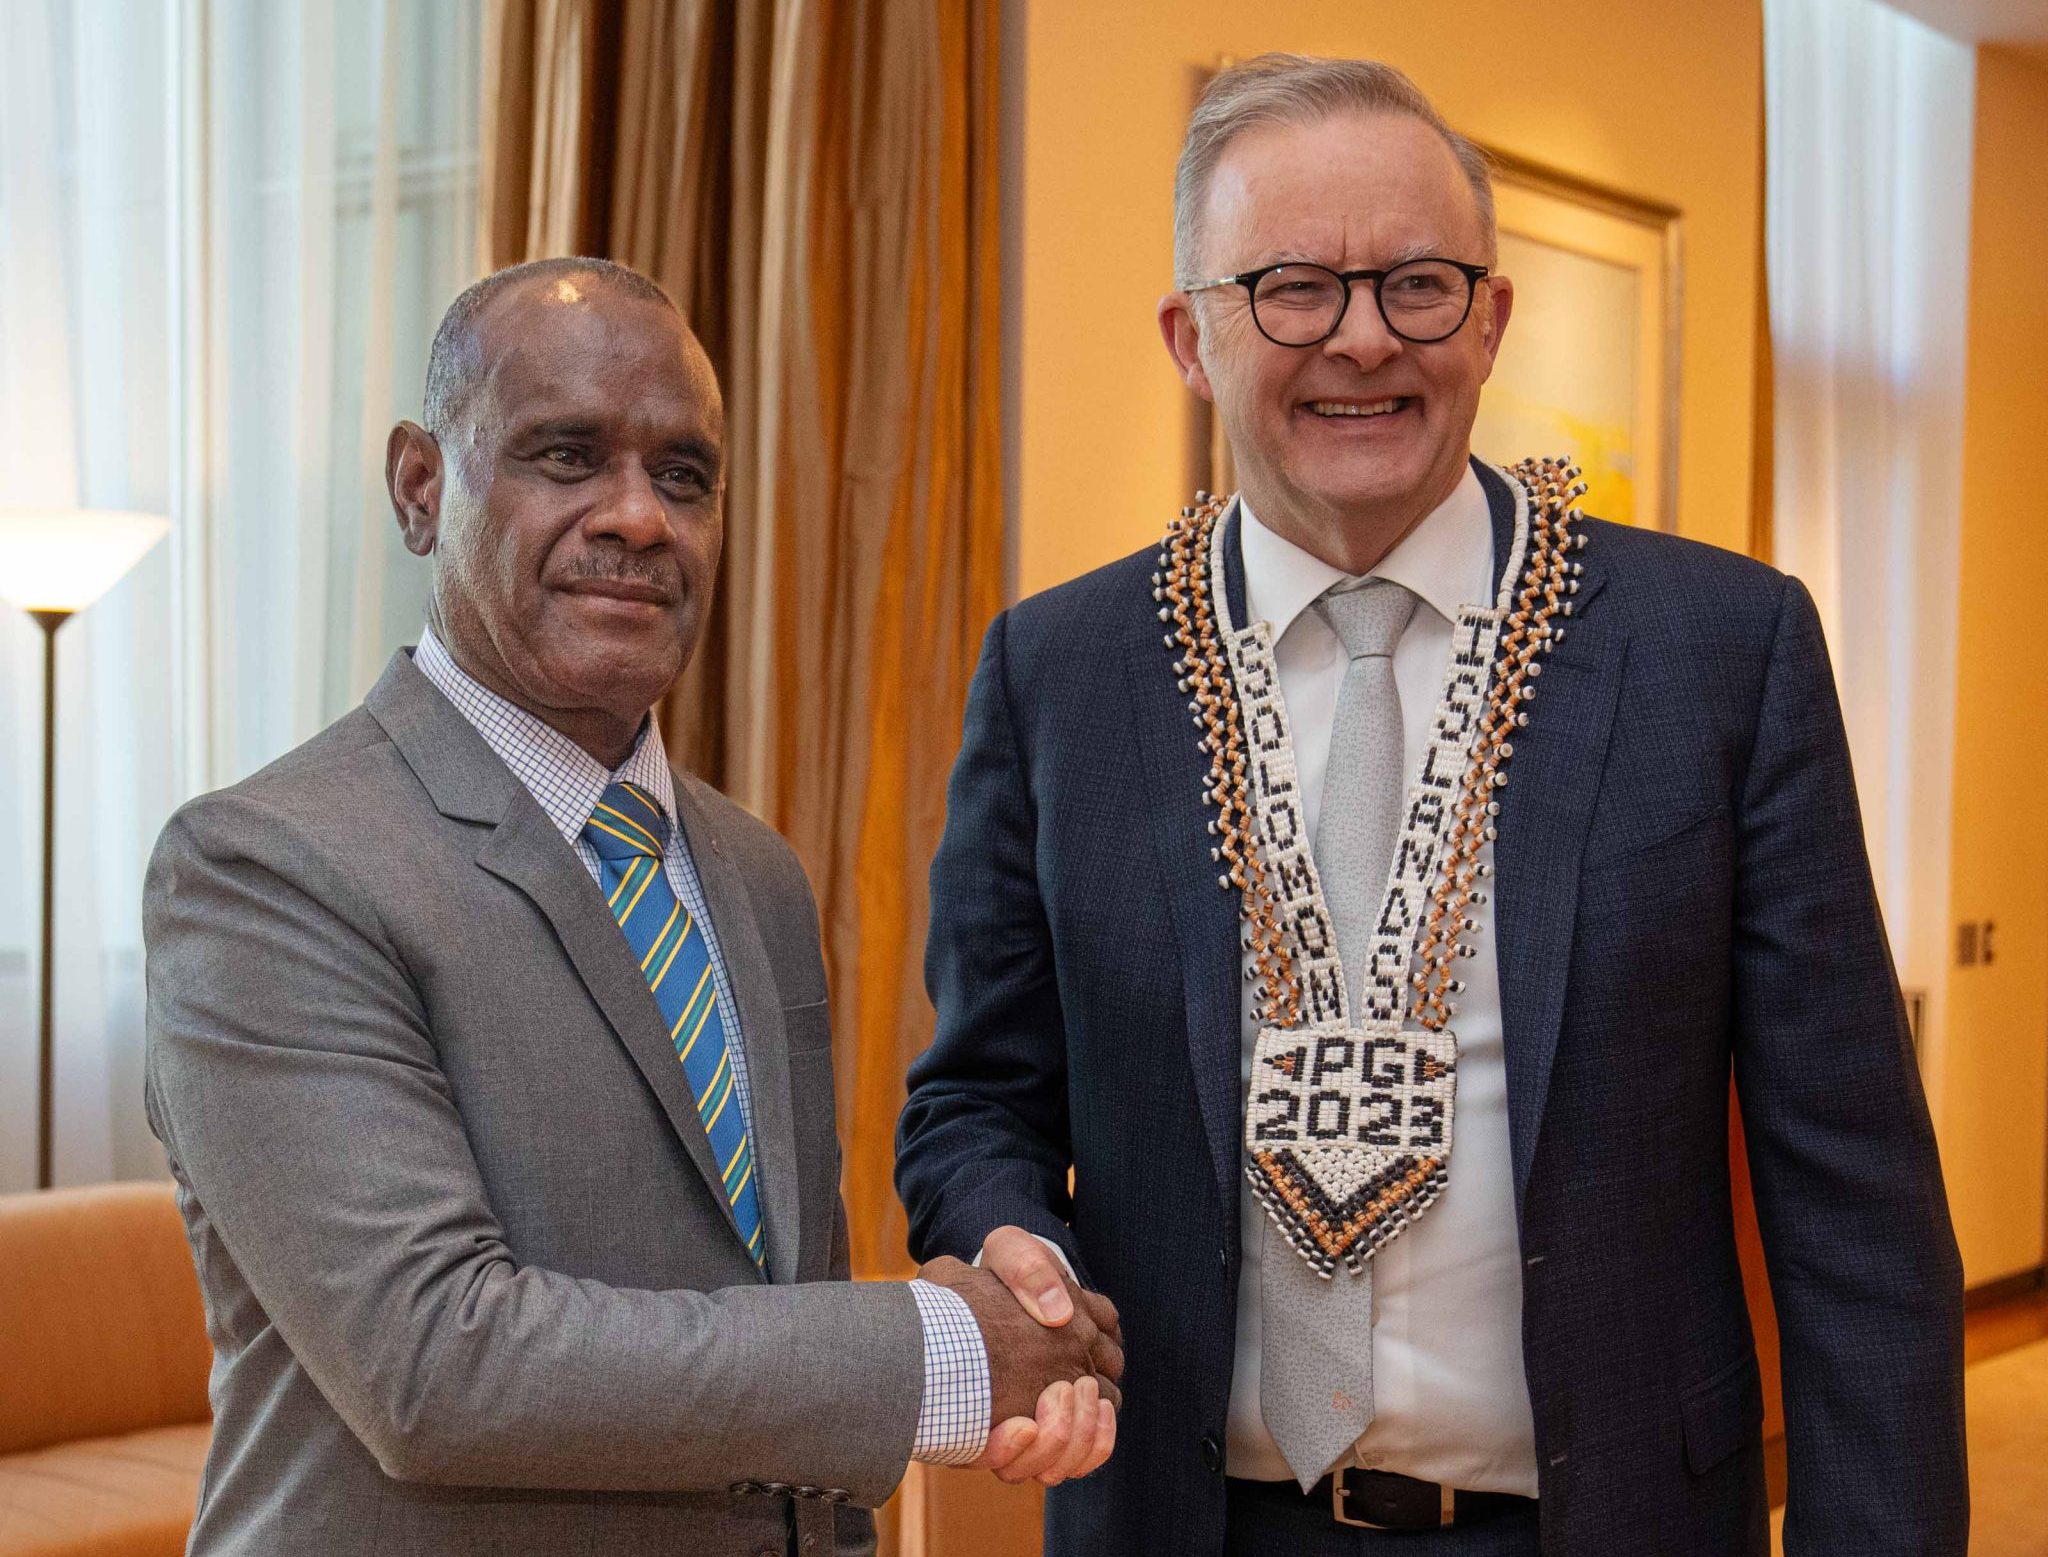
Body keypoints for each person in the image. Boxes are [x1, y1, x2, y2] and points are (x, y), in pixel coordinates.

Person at [896, 54, 1965, 1557]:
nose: (1362, 339)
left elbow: (1856, 1204)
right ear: (1189, 338)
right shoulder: (1065, 675)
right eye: (1291, 288)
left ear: (1491, 319)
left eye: (1418, 284)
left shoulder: (1720, 654)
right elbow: (972, 1100)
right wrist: (1008, 1229)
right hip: (1190, 1523)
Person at [142, 256, 1120, 1557]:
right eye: (566, 455)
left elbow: (783, 1320)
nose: (641, 518)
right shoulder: (266, 865)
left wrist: (1010, 1359)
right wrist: (945, 1350)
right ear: (421, 487)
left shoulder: (755, 871)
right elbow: (438, 1365)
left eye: (684, 476)